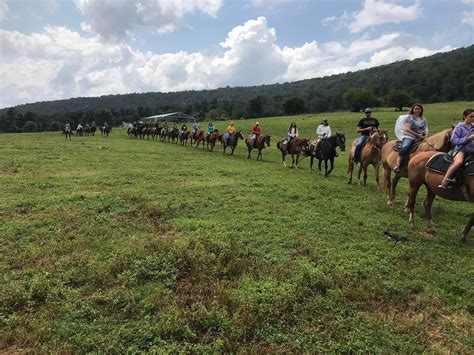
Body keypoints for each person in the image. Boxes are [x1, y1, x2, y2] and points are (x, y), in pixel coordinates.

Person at [438, 109, 474, 189]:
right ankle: (445, 181)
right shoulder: (459, 127)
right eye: (471, 116)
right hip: (461, 150)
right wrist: (468, 138)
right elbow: (454, 140)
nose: (473, 118)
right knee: (458, 162)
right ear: (464, 117)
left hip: (472, 150)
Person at [393, 103, 428, 173]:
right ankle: (398, 164)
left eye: (419, 109)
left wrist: (425, 135)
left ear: (421, 110)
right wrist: (417, 135)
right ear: (413, 110)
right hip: (410, 136)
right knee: (405, 147)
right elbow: (406, 129)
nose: (417, 110)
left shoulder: (423, 119)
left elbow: (425, 128)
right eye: (415, 109)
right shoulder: (409, 118)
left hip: (421, 137)